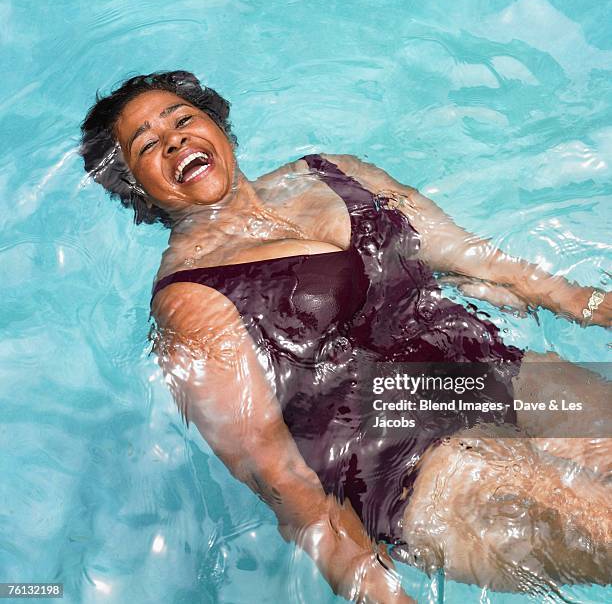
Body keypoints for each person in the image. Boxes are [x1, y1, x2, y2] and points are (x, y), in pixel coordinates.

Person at [80, 71, 611, 603]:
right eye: (147, 144)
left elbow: (489, 262)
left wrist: (592, 305)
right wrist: (377, 590)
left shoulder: (331, 173)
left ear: (216, 124)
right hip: (411, 466)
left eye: (182, 119)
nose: (173, 139)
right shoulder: (189, 299)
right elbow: (280, 479)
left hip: (490, 371)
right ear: (133, 184)